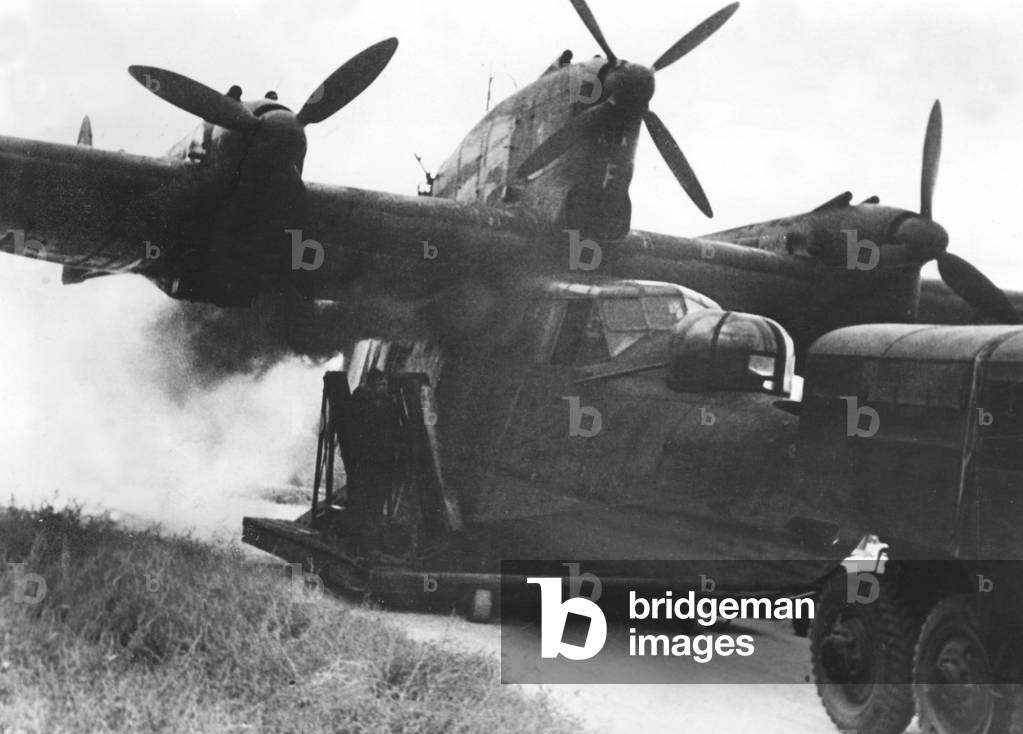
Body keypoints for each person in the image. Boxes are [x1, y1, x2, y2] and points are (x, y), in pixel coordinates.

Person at [344, 368, 405, 559]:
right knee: (359, 503)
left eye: (385, 385)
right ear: (371, 386)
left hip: (381, 464)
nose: (384, 388)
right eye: (380, 384)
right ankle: (354, 545)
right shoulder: (359, 402)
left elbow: (397, 429)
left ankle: (368, 546)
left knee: (375, 505)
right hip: (363, 463)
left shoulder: (389, 405)